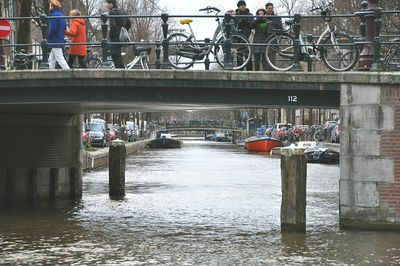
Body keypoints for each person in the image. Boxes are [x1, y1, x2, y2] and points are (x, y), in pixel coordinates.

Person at [105, 0, 131, 68]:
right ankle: (121, 70)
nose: (106, 5)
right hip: (121, 36)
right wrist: (124, 30)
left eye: (107, 3)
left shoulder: (111, 12)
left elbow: (113, 26)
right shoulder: (122, 11)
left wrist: (111, 35)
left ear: (111, 4)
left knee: (115, 54)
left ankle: (120, 71)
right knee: (118, 54)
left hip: (115, 36)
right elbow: (129, 23)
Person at [229, 0, 253, 70]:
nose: (243, 6)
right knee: (239, 56)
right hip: (238, 38)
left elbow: (252, 24)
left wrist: (244, 21)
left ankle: (250, 73)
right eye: (241, 5)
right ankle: (240, 72)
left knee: (248, 56)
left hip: (247, 37)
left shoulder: (250, 15)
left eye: (244, 5)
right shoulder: (235, 16)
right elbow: (233, 25)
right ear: (238, 7)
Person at [48, 0, 70, 69]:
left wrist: (48, 36)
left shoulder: (54, 16)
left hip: (55, 40)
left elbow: (53, 29)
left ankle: (69, 74)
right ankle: (49, 74)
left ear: (53, 6)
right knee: (51, 59)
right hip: (60, 39)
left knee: (60, 59)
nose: (49, 7)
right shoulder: (61, 15)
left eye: (50, 6)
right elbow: (64, 28)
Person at [265, 3, 283, 70]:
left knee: (272, 55)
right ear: (266, 9)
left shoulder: (276, 17)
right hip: (265, 37)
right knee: (265, 56)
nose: (270, 9)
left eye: (271, 8)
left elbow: (280, 27)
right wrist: (266, 24)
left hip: (273, 37)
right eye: (269, 8)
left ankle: (273, 71)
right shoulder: (263, 17)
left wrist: (271, 23)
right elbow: (260, 26)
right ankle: (266, 72)